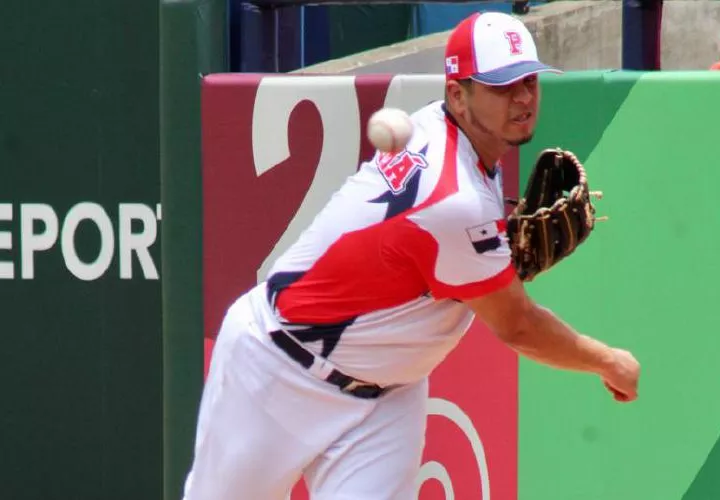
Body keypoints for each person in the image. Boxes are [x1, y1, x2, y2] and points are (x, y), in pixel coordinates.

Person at [182, 11, 641, 500]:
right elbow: (518, 325)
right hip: (275, 370)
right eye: (503, 85)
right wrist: (608, 361)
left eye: (529, 80)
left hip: (385, 401)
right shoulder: (455, 200)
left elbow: (426, 252)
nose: (524, 97)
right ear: (458, 95)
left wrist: (494, 255)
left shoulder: (449, 133)